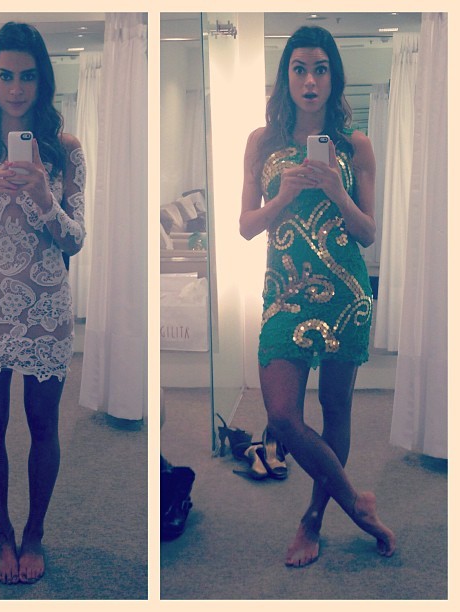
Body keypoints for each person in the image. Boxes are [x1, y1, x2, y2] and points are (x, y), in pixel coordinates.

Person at [240, 25, 395, 567]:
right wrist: (282, 195)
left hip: (345, 297)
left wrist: (336, 190)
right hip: (284, 296)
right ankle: (357, 502)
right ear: (286, 77)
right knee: (282, 416)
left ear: (334, 78)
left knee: (335, 408)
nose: (310, 81)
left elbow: (367, 232)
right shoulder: (262, 143)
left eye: (320, 70)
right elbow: (246, 226)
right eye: (300, 69)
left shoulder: (356, 146)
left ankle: (313, 519)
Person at [0, 22, 85, 584]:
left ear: (42, 81)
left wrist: (45, 196)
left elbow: (75, 240)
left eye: (27, 76)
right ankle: (2, 533)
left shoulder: (66, 151)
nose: (16, 88)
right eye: (5, 76)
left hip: (46, 308)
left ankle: (35, 533)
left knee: (44, 425)